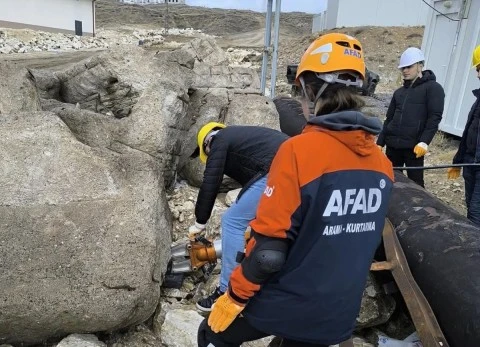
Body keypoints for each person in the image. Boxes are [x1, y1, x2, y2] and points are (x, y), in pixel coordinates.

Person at [197, 33, 394, 347]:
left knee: (211, 333)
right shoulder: (382, 165)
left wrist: (233, 296)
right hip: (339, 313)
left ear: (311, 90)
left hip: (292, 303)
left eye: (300, 94)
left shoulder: (299, 152)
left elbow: (267, 256)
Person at [189, 122, 289, 311]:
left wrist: (200, 221)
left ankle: (227, 291)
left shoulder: (219, 140)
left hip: (278, 168)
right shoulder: (244, 141)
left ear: (207, 142)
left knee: (232, 221)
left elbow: (211, 181)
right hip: (294, 168)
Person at [377, 47, 445, 188]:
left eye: (409, 67)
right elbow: (389, 119)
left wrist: (424, 142)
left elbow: (434, 117)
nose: (405, 71)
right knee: (390, 181)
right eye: (403, 68)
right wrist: (380, 142)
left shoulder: (433, 88)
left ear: (420, 65)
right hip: (393, 146)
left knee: (416, 185)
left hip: (413, 148)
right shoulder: (399, 92)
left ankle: (419, 209)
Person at [447, 45, 480, 226]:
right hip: (470, 162)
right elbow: (469, 132)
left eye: (479, 69)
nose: (477, 74)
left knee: (475, 212)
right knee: (470, 206)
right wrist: (458, 161)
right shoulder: (478, 101)